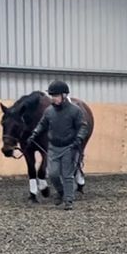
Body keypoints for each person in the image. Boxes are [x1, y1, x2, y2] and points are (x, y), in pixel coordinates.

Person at [26, 80, 90, 210]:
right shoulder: (49, 111)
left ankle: (69, 201)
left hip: (68, 146)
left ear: (64, 95)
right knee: (53, 174)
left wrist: (79, 138)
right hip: (53, 147)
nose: (53, 99)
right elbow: (42, 124)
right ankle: (61, 192)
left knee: (67, 175)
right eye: (52, 96)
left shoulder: (75, 111)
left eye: (56, 96)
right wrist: (34, 133)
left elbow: (83, 126)